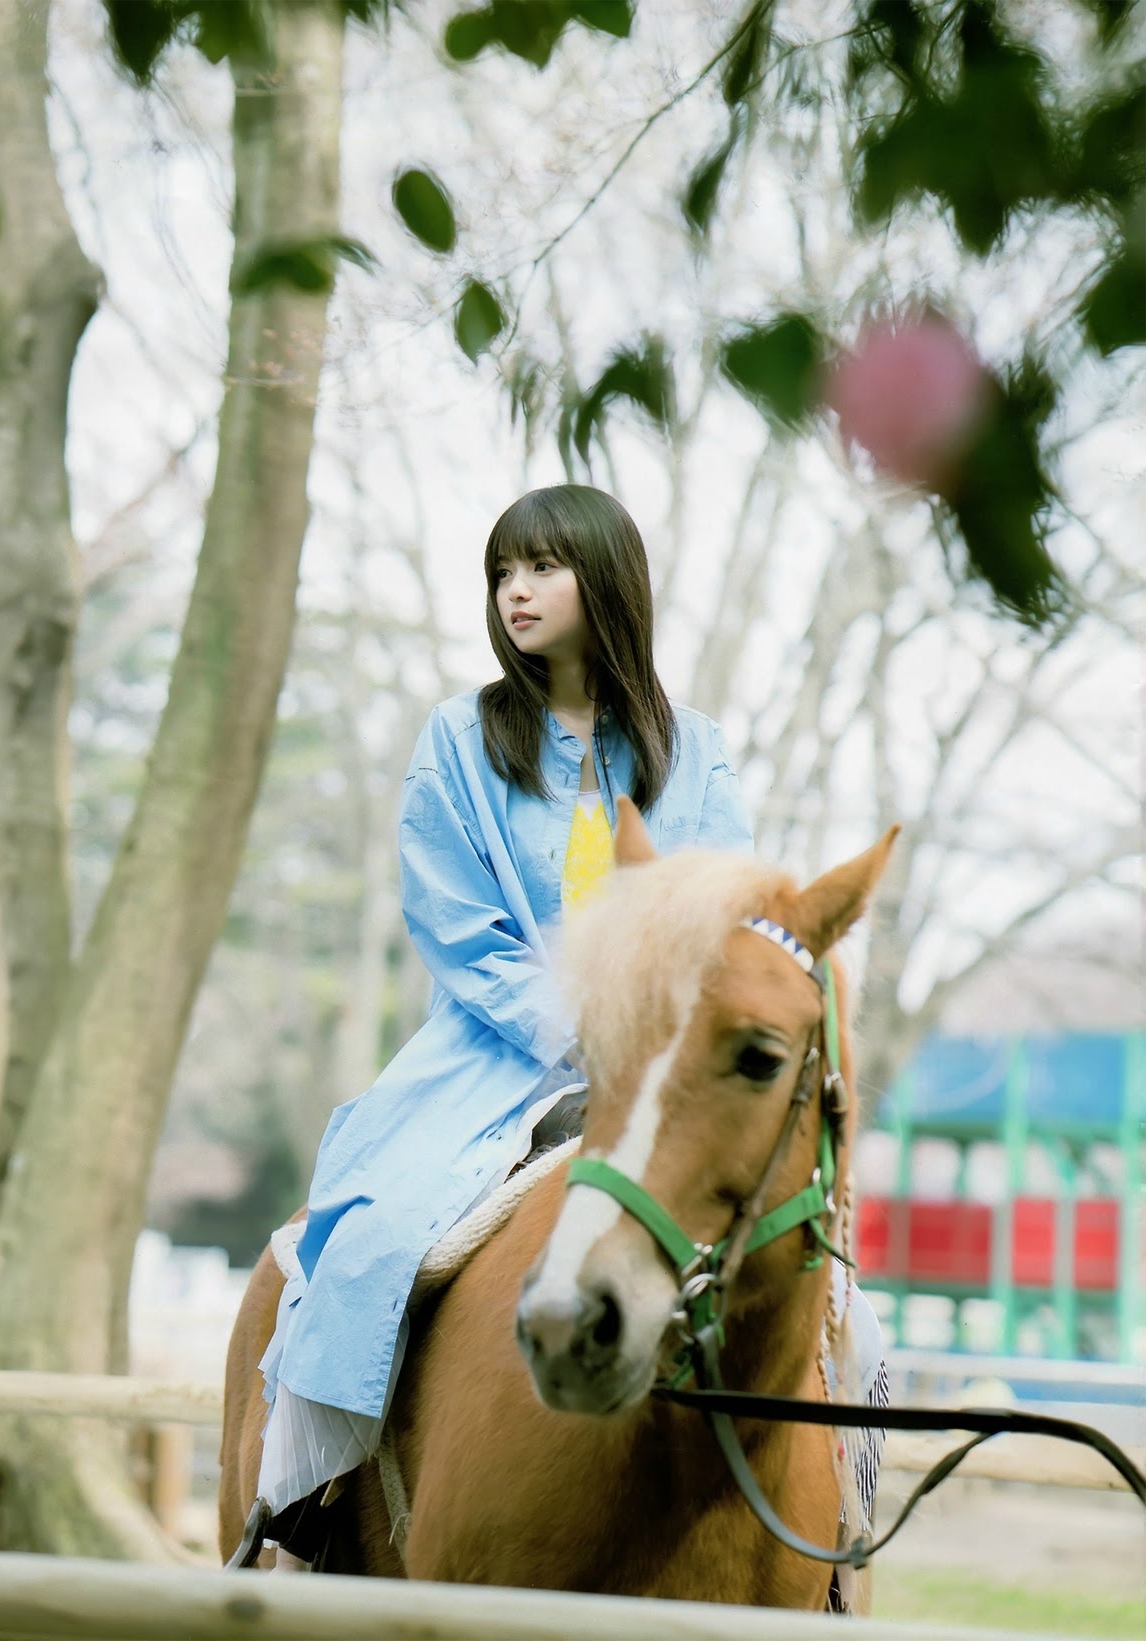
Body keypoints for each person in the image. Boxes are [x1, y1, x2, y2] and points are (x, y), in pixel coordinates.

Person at [255, 484, 882, 1559]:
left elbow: (727, 917)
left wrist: (644, 1045)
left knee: (837, 1304)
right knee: (369, 1241)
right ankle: (304, 1513)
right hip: (487, 1054)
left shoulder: (696, 749)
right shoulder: (457, 739)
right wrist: (585, 1030)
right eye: (503, 571)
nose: (517, 591)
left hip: (667, 1065)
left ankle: (840, 1545)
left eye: (542, 567)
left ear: (606, 581)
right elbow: (456, 925)